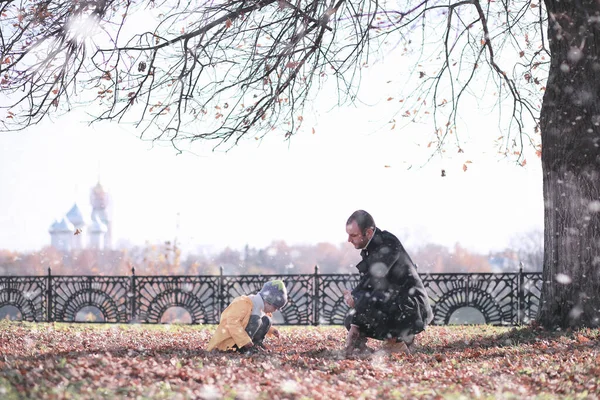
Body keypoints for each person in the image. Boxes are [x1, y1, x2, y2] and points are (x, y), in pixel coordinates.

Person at [343, 210, 433, 356]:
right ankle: (367, 346)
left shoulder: (388, 243)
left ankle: (397, 343)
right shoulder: (371, 247)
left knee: (366, 306)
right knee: (351, 317)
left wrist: (356, 298)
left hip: (412, 307)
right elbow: (368, 282)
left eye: (353, 235)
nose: (349, 240)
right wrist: (354, 301)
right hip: (397, 302)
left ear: (369, 233)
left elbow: (374, 279)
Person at [206, 280, 288, 354]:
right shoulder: (243, 303)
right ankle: (243, 349)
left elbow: (250, 322)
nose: (275, 310)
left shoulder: (259, 307)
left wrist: (271, 330)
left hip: (243, 338)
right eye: (275, 307)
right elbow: (232, 323)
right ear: (269, 301)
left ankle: (255, 345)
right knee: (256, 320)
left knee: (266, 320)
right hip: (231, 341)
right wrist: (244, 341)